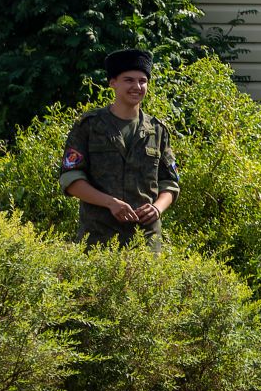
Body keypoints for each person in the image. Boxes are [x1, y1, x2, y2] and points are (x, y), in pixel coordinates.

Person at [58, 48, 179, 248]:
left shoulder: (157, 130)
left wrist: (157, 209)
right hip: (98, 240)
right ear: (113, 83)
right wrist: (110, 203)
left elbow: (170, 183)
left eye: (142, 81)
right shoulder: (89, 126)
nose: (137, 86)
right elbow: (70, 179)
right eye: (129, 80)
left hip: (146, 244)